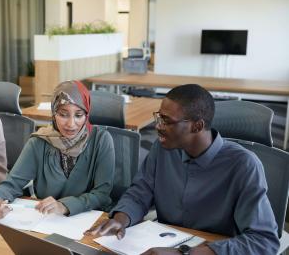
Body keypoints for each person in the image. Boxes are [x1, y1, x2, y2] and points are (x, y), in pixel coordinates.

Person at [86, 84, 279, 255]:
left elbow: (263, 240)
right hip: (161, 241)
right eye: (159, 117)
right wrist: (121, 218)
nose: (157, 126)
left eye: (167, 121)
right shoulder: (162, 149)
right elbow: (139, 193)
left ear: (197, 126)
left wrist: (185, 253)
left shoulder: (244, 165)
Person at [0, 80, 115, 218]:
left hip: (91, 220)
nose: (71, 124)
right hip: (46, 221)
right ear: (54, 113)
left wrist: (64, 206)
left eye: (79, 115)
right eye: (63, 114)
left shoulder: (101, 140)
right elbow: (12, 183)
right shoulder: (39, 141)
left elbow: (102, 194)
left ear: (87, 115)